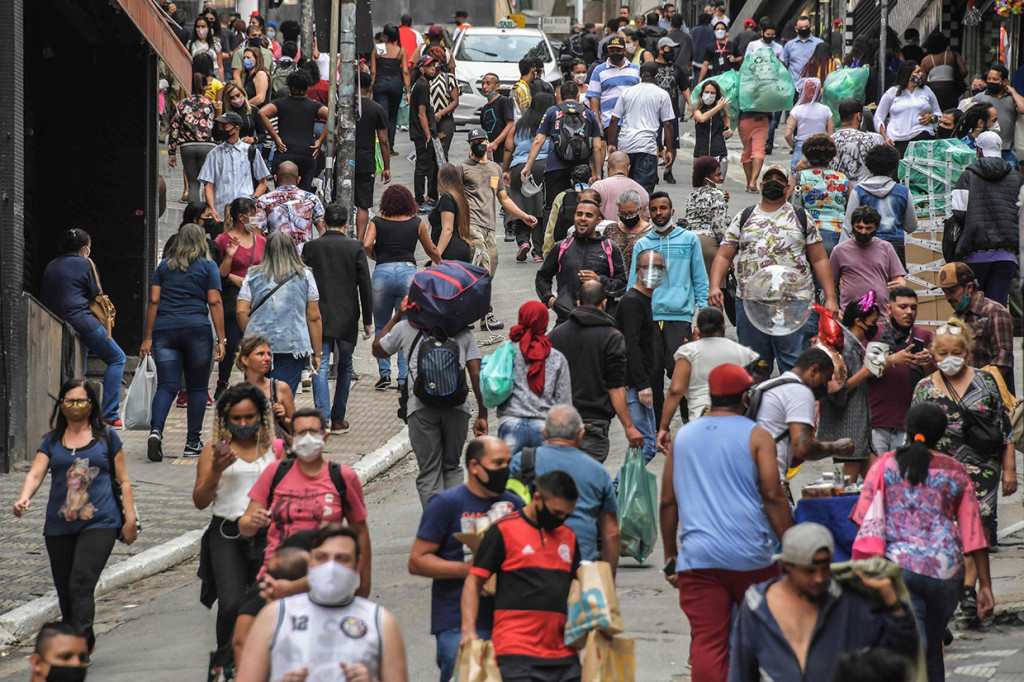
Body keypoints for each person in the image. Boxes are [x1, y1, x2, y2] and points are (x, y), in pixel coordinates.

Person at [660, 364, 792, 682]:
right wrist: (791, 547)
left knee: (708, 642)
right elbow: (773, 496)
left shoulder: (684, 437)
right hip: (752, 558)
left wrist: (671, 554)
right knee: (762, 638)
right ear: (745, 397)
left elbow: (667, 501)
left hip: (698, 559)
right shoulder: (757, 436)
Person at [851, 403, 993, 681]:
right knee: (931, 648)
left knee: (911, 648)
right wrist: (985, 585)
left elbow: (862, 518)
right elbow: (974, 533)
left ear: (907, 429)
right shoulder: (956, 470)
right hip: (946, 572)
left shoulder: (883, 465)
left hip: (897, 569)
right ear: (941, 434)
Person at [13, 380, 137, 653]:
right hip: (58, 526)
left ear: (92, 405)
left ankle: (76, 648)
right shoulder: (52, 441)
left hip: (100, 522)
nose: (76, 406)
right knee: (66, 593)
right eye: (69, 401)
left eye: (82, 401)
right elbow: (35, 473)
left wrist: (129, 519)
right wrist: (24, 497)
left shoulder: (107, 438)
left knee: (81, 583)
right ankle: (84, 637)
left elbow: (124, 481)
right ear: (60, 404)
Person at [910, 317, 1015, 620]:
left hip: (983, 469)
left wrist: (1009, 470)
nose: (948, 358)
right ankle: (962, 585)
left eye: (955, 351)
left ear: (967, 351)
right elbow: (913, 436)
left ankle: (969, 588)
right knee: (952, 532)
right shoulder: (924, 389)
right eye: (942, 353)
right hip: (941, 472)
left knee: (978, 527)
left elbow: (1004, 429)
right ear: (934, 353)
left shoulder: (986, 380)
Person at [729, 523, 920, 681]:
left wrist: (892, 602)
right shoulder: (757, 606)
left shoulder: (847, 603)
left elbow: (904, 650)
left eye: (824, 569)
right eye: (809, 571)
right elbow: (741, 671)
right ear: (787, 566)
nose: (819, 578)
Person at [409, 437, 525, 682]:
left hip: (510, 619)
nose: (505, 469)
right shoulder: (446, 504)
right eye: (497, 463)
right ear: (474, 467)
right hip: (456, 621)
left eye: (508, 462)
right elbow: (418, 561)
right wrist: (470, 570)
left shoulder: (515, 504)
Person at [710, 166, 839, 375]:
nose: (773, 182)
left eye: (778, 180)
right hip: (751, 304)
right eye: (768, 178)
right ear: (760, 186)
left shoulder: (801, 216)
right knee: (754, 369)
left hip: (795, 304)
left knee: (796, 366)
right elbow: (724, 255)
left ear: (787, 188)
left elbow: (819, 259)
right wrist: (714, 286)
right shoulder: (744, 216)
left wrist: (831, 298)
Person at [236, 525, 406, 682]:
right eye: (321, 557)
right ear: (310, 563)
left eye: (342, 559)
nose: (330, 567)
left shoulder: (380, 621)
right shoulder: (275, 615)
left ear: (357, 565)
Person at [193, 384, 282, 679]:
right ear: (225, 419)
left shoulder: (273, 448)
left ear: (260, 416)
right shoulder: (214, 450)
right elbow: (200, 501)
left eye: (250, 417)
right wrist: (217, 470)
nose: (244, 424)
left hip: (267, 535)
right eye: (236, 419)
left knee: (265, 600)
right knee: (231, 602)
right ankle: (223, 660)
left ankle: (257, 661)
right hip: (226, 532)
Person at [460, 471, 582, 682]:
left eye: (566, 515)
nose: (561, 519)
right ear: (537, 499)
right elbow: (474, 581)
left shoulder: (569, 537)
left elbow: (578, 586)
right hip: (516, 655)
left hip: (565, 656)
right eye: (557, 512)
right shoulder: (502, 530)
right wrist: (468, 630)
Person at [373, 299, 488, 506]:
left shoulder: (405, 328)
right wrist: (482, 413)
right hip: (457, 408)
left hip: (420, 408)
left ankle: (436, 528)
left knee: (429, 472)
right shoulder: (462, 332)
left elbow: (377, 349)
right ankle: (453, 525)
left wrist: (398, 315)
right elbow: (476, 374)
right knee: (452, 467)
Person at [239, 409, 371, 586]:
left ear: (325, 436)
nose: (307, 438)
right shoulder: (275, 472)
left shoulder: (342, 476)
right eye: (301, 432)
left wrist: (364, 585)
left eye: (313, 432)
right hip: (276, 574)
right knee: (242, 613)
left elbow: (360, 530)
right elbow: (245, 525)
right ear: (291, 439)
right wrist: (252, 523)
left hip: (326, 578)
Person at [141, 224, 226, 461]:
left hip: (165, 331)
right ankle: (192, 443)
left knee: (167, 385)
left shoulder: (163, 267)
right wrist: (221, 339)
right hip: (197, 331)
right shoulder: (208, 266)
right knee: (198, 388)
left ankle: (156, 431)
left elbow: (154, 301)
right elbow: (215, 302)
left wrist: (147, 337)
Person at [629, 192, 709, 422]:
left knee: (679, 373)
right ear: (649, 213)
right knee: (652, 374)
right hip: (650, 318)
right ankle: (655, 426)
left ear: (672, 212)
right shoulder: (643, 244)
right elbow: (633, 283)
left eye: (663, 208)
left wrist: (703, 312)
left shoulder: (689, 240)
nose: (658, 213)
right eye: (654, 209)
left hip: (680, 318)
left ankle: (688, 423)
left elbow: (699, 278)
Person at [509, 405, 620, 565]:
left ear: (544, 433)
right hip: (581, 563)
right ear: (581, 434)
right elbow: (611, 532)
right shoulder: (598, 471)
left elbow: (506, 512)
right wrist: (608, 579)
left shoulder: (521, 461)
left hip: (530, 561)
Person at [39, 230, 126, 427]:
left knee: (80, 363)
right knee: (117, 358)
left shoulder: (52, 264)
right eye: (89, 245)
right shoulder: (86, 264)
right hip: (81, 319)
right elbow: (96, 293)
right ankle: (110, 414)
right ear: (84, 248)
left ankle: (80, 407)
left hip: (55, 320)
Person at [549, 281, 642, 462]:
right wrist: (629, 427)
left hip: (560, 422)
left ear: (578, 303)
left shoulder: (555, 335)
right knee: (588, 481)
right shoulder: (612, 337)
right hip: (594, 424)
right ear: (604, 304)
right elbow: (616, 387)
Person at [363, 184, 441, 391]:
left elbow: (366, 245)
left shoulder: (377, 221)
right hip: (408, 274)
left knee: (382, 324)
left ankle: (384, 374)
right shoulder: (416, 222)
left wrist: (376, 257)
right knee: (407, 325)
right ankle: (404, 378)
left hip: (382, 273)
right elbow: (431, 249)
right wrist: (441, 264)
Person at [303, 204, 372, 432]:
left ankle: (321, 418)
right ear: (347, 223)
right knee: (344, 366)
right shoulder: (355, 247)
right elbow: (365, 286)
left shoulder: (311, 247)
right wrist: (368, 320)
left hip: (317, 316)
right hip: (347, 315)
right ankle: (338, 418)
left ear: (324, 222)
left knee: (319, 365)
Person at [462, 128, 538, 329]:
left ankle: (468, 308)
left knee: (489, 270)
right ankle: (485, 314)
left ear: (489, 143)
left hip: (489, 227)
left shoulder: (495, 169)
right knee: (482, 269)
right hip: (471, 226)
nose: (479, 145)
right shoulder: (461, 169)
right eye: (474, 142)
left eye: (482, 141)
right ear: (469, 146)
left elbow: (503, 198)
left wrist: (523, 216)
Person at [236, 232, 323, 395]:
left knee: (256, 398)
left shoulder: (252, 275)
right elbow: (314, 316)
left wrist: (250, 335)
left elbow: (241, 310)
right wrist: (317, 353)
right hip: (291, 346)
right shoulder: (305, 276)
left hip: (257, 346)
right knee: (281, 400)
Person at [658, 308, 760, 445]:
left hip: (700, 421)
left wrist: (663, 428)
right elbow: (755, 391)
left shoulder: (688, 352)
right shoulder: (744, 353)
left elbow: (675, 391)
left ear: (698, 330)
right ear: (724, 327)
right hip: (737, 422)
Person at [949, 131, 1023, 307]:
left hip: (974, 255)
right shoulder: (1018, 179)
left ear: (978, 151)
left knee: (972, 309)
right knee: (996, 308)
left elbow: (959, 212)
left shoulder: (967, 176)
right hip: (1006, 256)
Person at [522, 82, 603, 236]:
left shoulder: (552, 112)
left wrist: (528, 166)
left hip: (555, 167)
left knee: (552, 206)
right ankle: (580, 238)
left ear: (559, 96)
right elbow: (598, 146)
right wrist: (597, 173)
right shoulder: (588, 113)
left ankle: (551, 246)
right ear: (578, 95)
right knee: (583, 204)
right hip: (582, 169)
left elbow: (538, 140)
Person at [495, 302, 572, 455]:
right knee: (543, 476)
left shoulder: (506, 350)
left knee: (510, 477)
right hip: (544, 426)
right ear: (544, 322)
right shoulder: (556, 357)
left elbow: (493, 384)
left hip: (511, 423)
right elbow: (564, 402)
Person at [536, 198, 627, 324]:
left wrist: (600, 281)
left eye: (589, 215)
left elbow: (622, 283)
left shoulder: (610, 248)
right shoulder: (562, 247)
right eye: (579, 214)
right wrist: (551, 300)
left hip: (601, 322)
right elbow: (542, 277)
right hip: (567, 321)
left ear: (598, 221)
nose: (583, 218)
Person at [818, 295, 879, 482]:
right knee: (845, 488)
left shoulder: (855, 347)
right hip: (848, 434)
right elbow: (837, 392)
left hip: (859, 436)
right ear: (859, 322)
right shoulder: (844, 349)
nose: (876, 326)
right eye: (873, 322)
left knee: (882, 482)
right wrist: (865, 372)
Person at [867, 286, 934, 456]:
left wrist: (926, 362)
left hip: (910, 423)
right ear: (889, 309)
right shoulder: (875, 333)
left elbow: (934, 380)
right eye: (903, 307)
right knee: (876, 479)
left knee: (906, 479)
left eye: (913, 307)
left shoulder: (925, 336)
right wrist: (893, 360)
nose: (909, 312)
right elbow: (863, 370)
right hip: (877, 420)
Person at [937, 262, 1015, 396]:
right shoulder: (955, 318)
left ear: (969, 287)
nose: (948, 297)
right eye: (945, 292)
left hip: (992, 398)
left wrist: (974, 390)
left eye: (952, 291)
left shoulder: (994, 312)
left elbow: (1002, 363)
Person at [214, 197, 265, 399]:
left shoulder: (261, 241)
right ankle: (222, 381)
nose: (255, 218)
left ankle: (249, 383)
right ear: (240, 217)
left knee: (252, 343)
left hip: (256, 300)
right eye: (251, 215)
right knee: (233, 341)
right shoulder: (223, 240)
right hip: (232, 301)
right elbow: (217, 274)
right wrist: (230, 269)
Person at [841, 144, 916, 265]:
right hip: (895, 246)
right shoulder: (903, 192)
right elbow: (911, 226)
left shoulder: (859, 191)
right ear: (893, 169)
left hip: (866, 245)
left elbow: (848, 227)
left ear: (869, 169)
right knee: (895, 282)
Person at [607, 62, 675, 194]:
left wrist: (611, 143)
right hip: (646, 148)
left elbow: (614, 119)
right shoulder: (662, 94)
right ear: (656, 76)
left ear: (640, 75)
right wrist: (669, 150)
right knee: (643, 193)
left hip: (625, 146)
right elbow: (668, 124)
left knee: (624, 191)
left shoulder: (627, 92)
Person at [503, 93, 554, 259]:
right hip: (542, 166)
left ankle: (523, 241)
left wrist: (506, 170)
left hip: (518, 167)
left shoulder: (519, 124)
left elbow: (508, 149)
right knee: (539, 208)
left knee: (521, 206)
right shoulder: (550, 122)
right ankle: (538, 252)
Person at [830, 205, 906, 314]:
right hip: (850, 318)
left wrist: (900, 284)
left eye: (868, 228)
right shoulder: (839, 250)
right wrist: (834, 306)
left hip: (881, 315)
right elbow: (830, 283)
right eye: (859, 227)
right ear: (852, 226)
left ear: (876, 228)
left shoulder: (886, 248)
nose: (863, 232)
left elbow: (899, 278)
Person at [257, 73, 326, 192]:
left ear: (290, 87)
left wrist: (276, 138)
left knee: (281, 193)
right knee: (304, 193)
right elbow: (332, 116)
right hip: (307, 153)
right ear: (307, 88)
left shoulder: (281, 103)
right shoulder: (313, 105)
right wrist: (320, 140)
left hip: (285, 151)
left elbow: (262, 113)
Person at [198, 112, 271, 222]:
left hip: (246, 214)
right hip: (221, 213)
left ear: (236, 129)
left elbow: (262, 183)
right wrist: (212, 208)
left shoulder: (251, 152)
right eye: (220, 127)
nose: (221, 130)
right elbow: (208, 185)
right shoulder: (214, 154)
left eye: (225, 126)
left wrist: (252, 200)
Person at [789, 134, 849, 255]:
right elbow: (850, 209)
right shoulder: (843, 179)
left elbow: (785, 205)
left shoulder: (799, 177)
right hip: (838, 234)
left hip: (809, 235)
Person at [169, 65, 217, 204]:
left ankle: (193, 216)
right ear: (204, 87)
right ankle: (208, 214)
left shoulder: (181, 105)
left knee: (192, 184)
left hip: (187, 146)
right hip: (208, 146)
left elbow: (174, 129)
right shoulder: (211, 105)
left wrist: (172, 153)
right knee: (208, 183)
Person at [254, 160, 326, 250]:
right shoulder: (311, 199)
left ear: (275, 178)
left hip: (276, 255)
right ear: (298, 179)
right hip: (303, 257)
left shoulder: (264, 201)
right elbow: (323, 231)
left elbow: (256, 235)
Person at [234, 333, 295, 439]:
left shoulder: (280, 388)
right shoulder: (235, 393)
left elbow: (297, 428)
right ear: (245, 360)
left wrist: (284, 418)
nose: (267, 358)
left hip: (277, 451)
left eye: (269, 354)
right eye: (260, 354)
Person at [874, 61, 941, 155]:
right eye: (917, 72)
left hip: (922, 136)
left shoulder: (926, 91)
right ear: (908, 75)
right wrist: (885, 138)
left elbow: (938, 113)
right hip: (897, 139)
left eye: (921, 71)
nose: (921, 74)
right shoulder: (892, 92)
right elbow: (878, 117)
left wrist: (932, 117)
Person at [355, 71, 391, 241]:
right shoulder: (377, 109)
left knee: (342, 199)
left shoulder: (346, 105)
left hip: (343, 161)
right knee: (363, 205)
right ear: (370, 88)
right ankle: (359, 240)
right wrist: (386, 167)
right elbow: (384, 141)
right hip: (365, 161)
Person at [686, 157, 731, 295]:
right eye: (717, 175)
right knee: (714, 293)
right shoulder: (717, 195)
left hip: (689, 243)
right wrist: (727, 254)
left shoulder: (691, 195)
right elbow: (719, 226)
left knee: (694, 292)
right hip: (709, 245)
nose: (721, 178)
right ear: (706, 179)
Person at [972, 62, 1024, 168]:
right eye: (989, 79)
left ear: (1004, 82)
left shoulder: (1011, 99)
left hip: (1007, 151)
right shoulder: (979, 98)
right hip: (985, 149)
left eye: (995, 80)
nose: (991, 82)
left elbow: (1022, 109)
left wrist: (1012, 91)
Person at [587, 36, 641, 133]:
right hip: (609, 122)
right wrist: (597, 123)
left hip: (633, 122)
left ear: (625, 51)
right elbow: (594, 98)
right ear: (608, 52)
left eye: (618, 50)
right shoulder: (599, 71)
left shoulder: (636, 70)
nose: (615, 53)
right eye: (612, 51)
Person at [370, 23, 410, 152]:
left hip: (380, 85)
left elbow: (373, 71)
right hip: (396, 85)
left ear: (385, 36)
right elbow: (405, 71)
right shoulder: (400, 51)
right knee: (393, 116)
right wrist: (408, 92)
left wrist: (370, 87)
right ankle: (390, 147)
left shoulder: (379, 49)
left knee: (382, 115)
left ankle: (382, 144)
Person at [830, 98, 885, 189]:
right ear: (859, 116)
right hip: (863, 193)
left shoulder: (830, 140)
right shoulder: (868, 139)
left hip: (836, 194)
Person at [410, 55, 441, 213]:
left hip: (424, 134)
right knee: (422, 168)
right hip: (422, 135)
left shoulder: (423, 85)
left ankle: (428, 197)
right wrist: (428, 134)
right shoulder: (422, 86)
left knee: (430, 166)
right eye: (429, 66)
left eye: (433, 66)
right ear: (422, 69)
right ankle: (419, 200)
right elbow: (421, 113)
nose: (433, 68)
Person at [785, 79, 835, 173]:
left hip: (801, 147)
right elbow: (831, 134)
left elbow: (787, 135)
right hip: (820, 148)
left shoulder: (797, 110)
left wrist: (795, 146)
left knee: (798, 180)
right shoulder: (826, 110)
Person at [428, 163, 474, 263]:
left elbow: (447, 229)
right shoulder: (460, 197)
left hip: (449, 250)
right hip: (460, 247)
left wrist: (437, 256)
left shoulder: (446, 198)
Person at [591, 151, 650, 221]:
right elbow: (645, 223)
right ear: (628, 169)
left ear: (608, 167)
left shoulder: (598, 187)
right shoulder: (642, 191)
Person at [919, 31, 967, 112]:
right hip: (951, 89)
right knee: (951, 112)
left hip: (933, 89)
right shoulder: (953, 55)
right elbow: (964, 71)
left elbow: (923, 80)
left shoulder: (926, 60)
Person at [692, 80, 732, 177]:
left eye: (712, 93)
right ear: (702, 93)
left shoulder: (722, 112)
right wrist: (718, 107)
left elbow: (728, 129)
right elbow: (701, 118)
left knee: (718, 186)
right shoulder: (697, 109)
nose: (709, 95)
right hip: (701, 154)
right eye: (707, 92)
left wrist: (729, 133)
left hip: (719, 153)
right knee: (701, 186)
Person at [604, 189, 652, 271]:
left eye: (631, 213)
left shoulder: (651, 233)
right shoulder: (611, 229)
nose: (627, 217)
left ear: (640, 209)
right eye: (623, 214)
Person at [479, 73, 516, 158]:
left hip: (503, 152)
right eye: (483, 84)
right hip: (491, 154)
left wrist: (496, 142)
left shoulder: (503, 101)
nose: (484, 87)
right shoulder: (484, 109)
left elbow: (510, 124)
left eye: (488, 83)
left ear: (497, 86)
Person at [782, 16, 823, 87]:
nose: (804, 29)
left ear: (810, 27)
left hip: (813, 87)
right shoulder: (789, 46)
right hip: (794, 87)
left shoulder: (819, 44)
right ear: (796, 29)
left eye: (806, 27)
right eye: (801, 28)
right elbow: (784, 65)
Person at [216, 81, 260, 146]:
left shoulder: (253, 110)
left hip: (247, 149)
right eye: (231, 98)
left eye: (238, 95)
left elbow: (263, 135)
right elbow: (216, 135)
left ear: (243, 93)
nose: (236, 99)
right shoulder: (223, 112)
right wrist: (218, 114)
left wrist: (253, 139)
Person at [698, 20, 736, 84]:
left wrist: (735, 59)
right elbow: (705, 64)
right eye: (718, 29)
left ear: (726, 31)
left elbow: (740, 58)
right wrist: (700, 81)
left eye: (722, 29)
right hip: (716, 76)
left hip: (729, 76)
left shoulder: (731, 45)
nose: (720, 31)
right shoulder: (711, 47)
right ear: (714, 32)